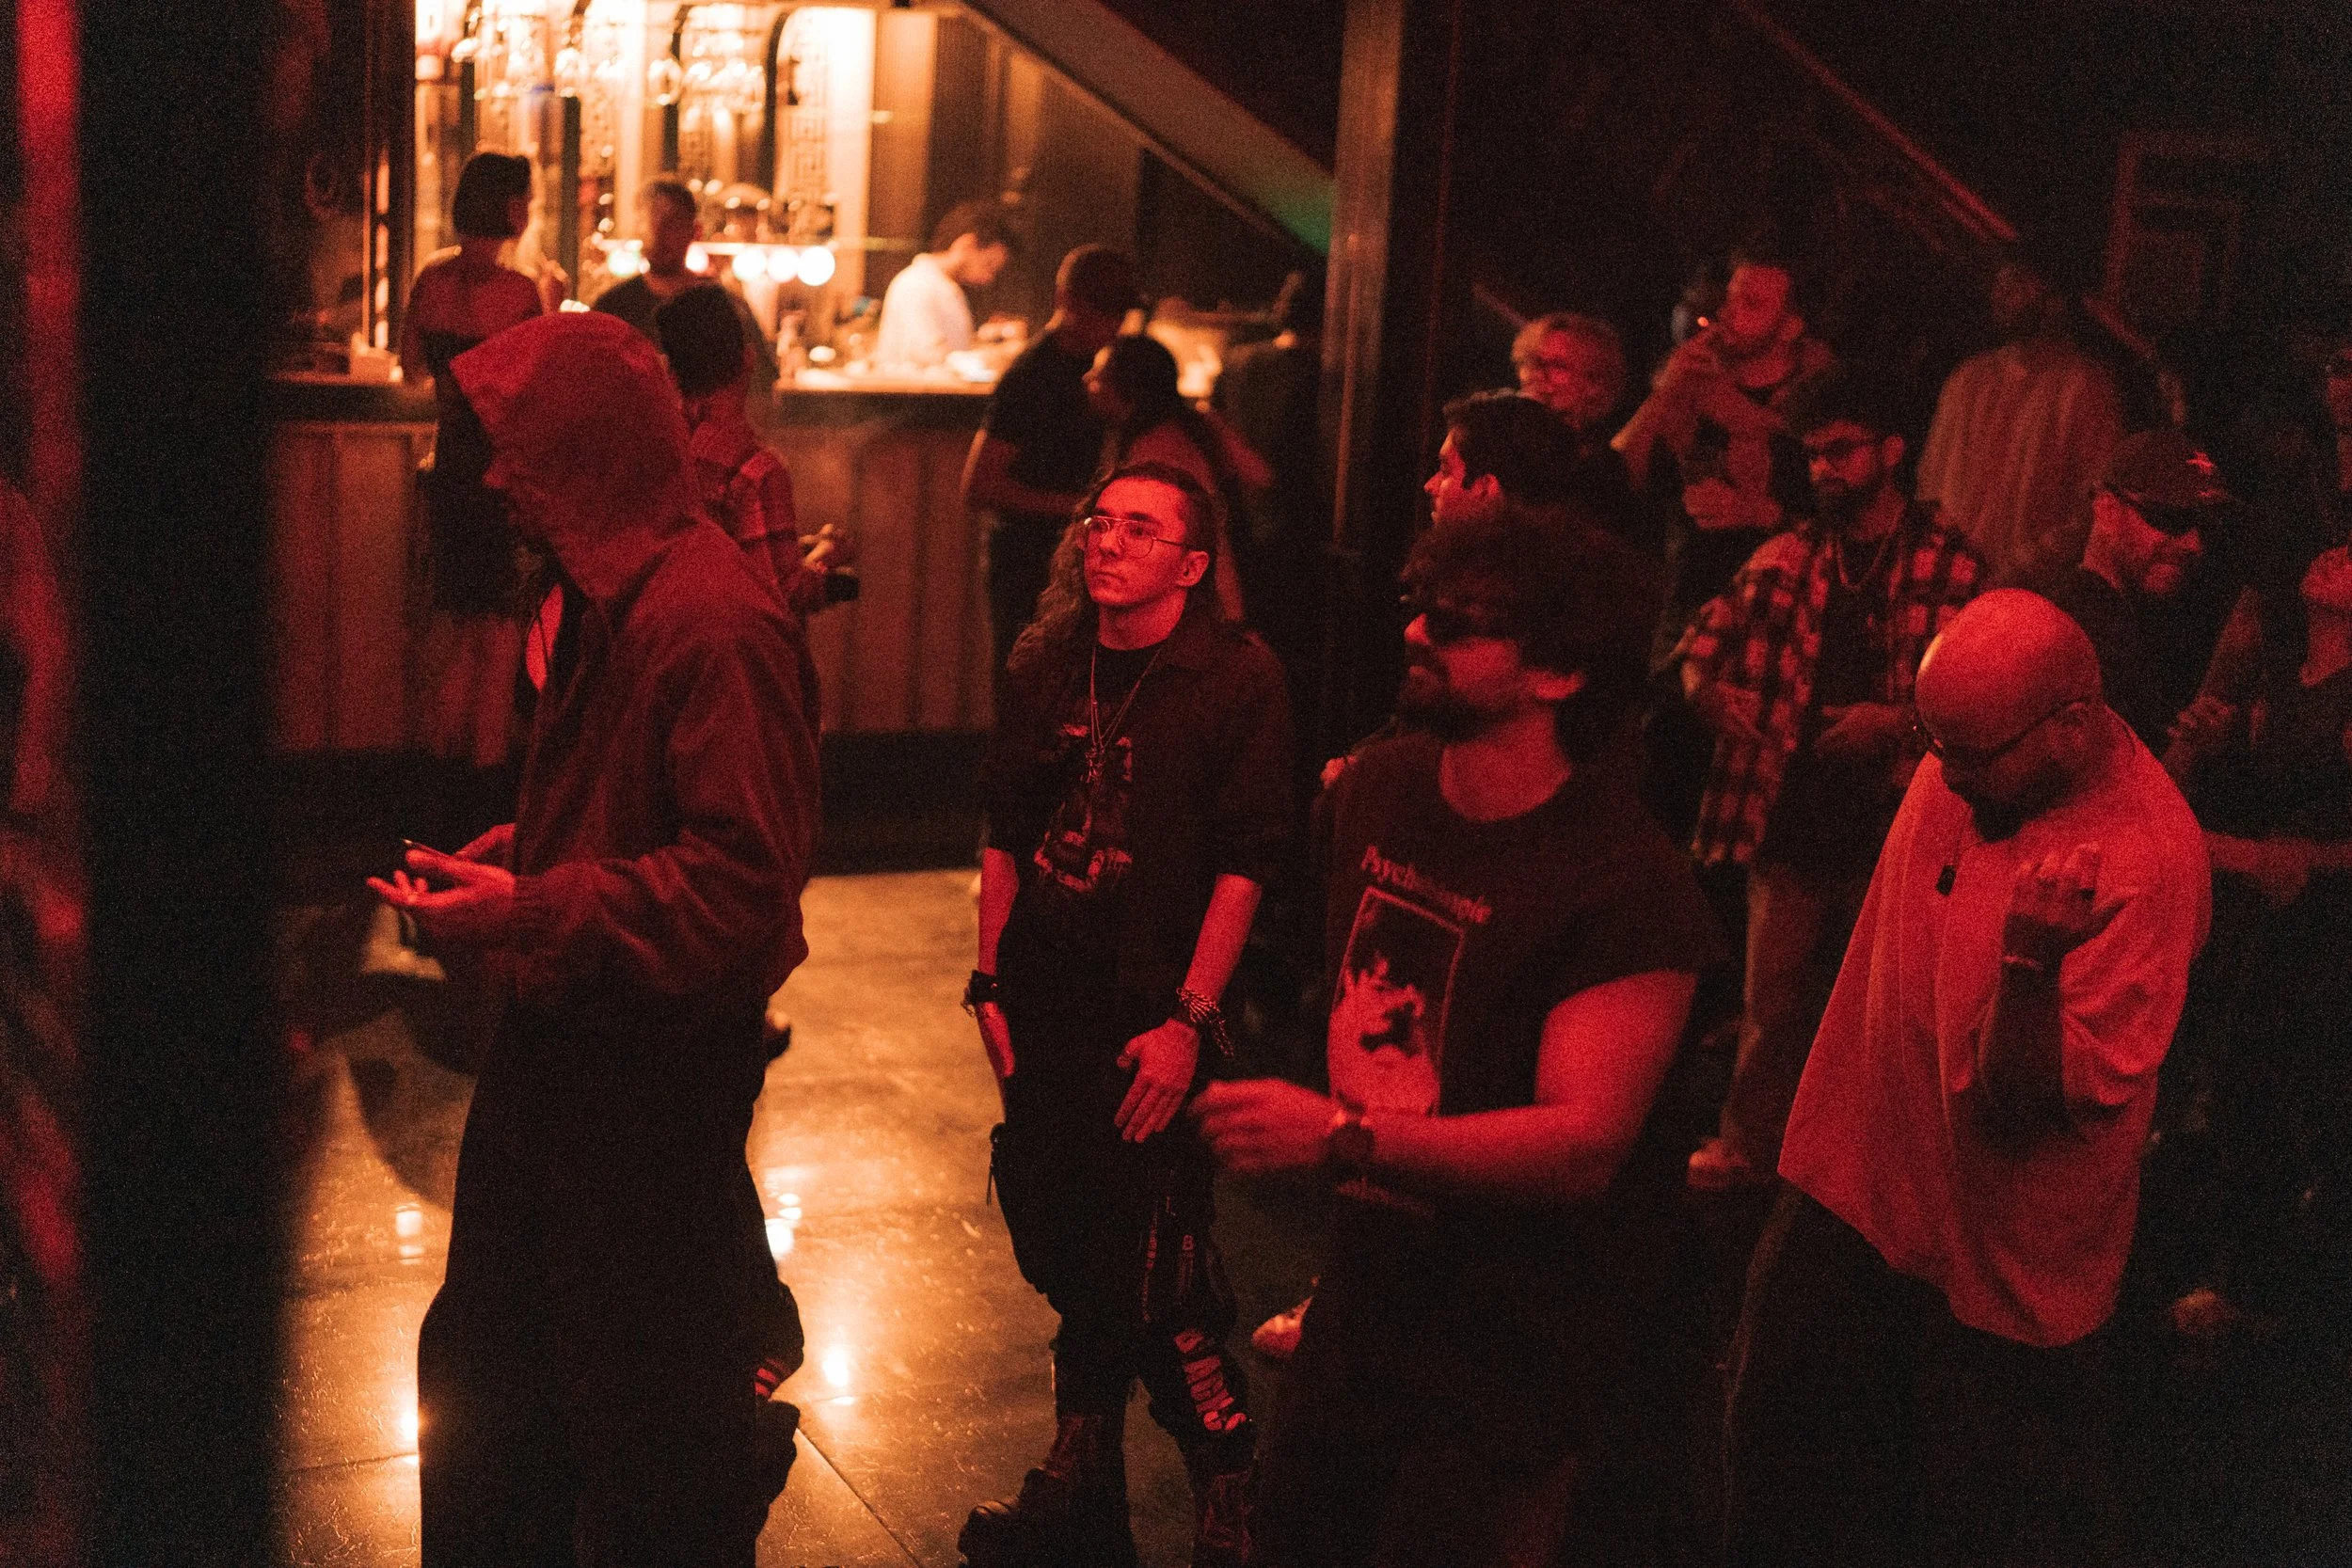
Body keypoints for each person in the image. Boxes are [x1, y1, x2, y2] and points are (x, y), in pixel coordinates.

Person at [369, 312, 817, 1568]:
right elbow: (640, 814)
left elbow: (741, 884)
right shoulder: (610, 595)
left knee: (630, 1412)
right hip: (572, 1034)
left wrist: (527, 903)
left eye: (521, 452)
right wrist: (525, 849)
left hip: (651, 1067)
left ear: (590, 454)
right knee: (498, 1367)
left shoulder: (711, 621)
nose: (498, 483)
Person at [1197, 508, 1723, 1568]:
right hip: (1362, 1304)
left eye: (1460, 621)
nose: (1416, 632)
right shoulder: (1378, 787)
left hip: (1512, 1343)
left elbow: (1583, 1143)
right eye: (1420, 606)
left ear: (1559, 674)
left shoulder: (1626, 886)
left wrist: (1340, 1136)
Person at [1724, 590, 2209, 1568]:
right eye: (1932, 743)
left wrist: (2028, 964)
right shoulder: (1973, 760)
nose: (1942, 774)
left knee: (1964, 1526)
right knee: (1775, 1469)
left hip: (1996, 1267)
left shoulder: (2142, 864)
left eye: (1970, 754)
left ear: (2071, 725)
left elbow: (2020, 1106)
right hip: (1856, 1179)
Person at [965, 461, 1291, 1568]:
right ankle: (1081, 1472)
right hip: (1045, 991)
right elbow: (1005, 830)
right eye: (1099, 520)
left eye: (1140, 529)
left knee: (1154, 1257)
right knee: (1063, 1232)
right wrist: (989, 980)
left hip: (1152, 1001)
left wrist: (1189, 1020)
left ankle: (1229, 1479)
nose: (1106, 541)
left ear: (1191, 565)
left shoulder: (1234, 677)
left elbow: (1247, 862)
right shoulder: (1047, 657)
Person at [1677, 365, 1984, 1189]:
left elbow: (1976, 698)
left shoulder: (1949, 558)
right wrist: (1707, 692)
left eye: (1841, 451)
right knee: (1772, 1005)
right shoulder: (1794, 552)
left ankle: (1861, 1167)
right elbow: (1700, 642)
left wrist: (1897, 723)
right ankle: (1750, 1148)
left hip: (1892, 821)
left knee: (1886, 1008)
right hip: (1791, 813)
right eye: (1813, 455)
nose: (1823, 469)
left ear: (1893, 450)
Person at [2161, 539, 2352, 1347]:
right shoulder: (2286, 679)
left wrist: (2293, 858)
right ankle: (2240, 1277)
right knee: (2246, 1083)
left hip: (2328, 927)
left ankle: (2275, 1298)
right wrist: (2213, 739)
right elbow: (2262, 765)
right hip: (2270, 922)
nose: (2336, 553)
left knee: (2301, 1093)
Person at [398, 151, 546, 820]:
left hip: (450, 471)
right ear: (507, 205)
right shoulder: (521, 294)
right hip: (498, 474)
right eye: (525, 198)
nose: (530, 208)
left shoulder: (431, 280)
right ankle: (486, 789)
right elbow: (530, 394)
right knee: (500, 635)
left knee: (455, 630)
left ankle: (438, 782)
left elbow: (410, 370)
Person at [962, 245, 1139, 681]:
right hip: (1027, 558)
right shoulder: (1032, 376)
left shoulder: (1106, 367)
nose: (1112, 325)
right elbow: (979, 484)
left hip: (1071, 555)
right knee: (1027, 685)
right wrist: (1079, 508)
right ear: (1066, 300)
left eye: (1118, 312)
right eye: (1101, 309)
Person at [1915, 251, 2125, 589]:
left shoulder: (2085, 388)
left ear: (2055, 296)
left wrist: (2024, 569)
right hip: (1950, 584)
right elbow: (1931, 483)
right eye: (2000, 282)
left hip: (2028, 595)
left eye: (2018, 282)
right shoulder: (1968, 378)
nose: (2001, 293)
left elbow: (2094, 504)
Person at [655, 283, 854, 637]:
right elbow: (780, 596)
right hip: (738, 657)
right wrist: (829, 555)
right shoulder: (756, 471)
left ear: (674, 373)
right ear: (748, 358)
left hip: (676, 641)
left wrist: (796, 549)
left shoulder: (665, 450)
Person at [2047, 428, 2233, 750]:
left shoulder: (2143, 622)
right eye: (2171, 518)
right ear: (2107, 511)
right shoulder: (2079, 635)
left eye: (2205, 526)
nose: (2194, 544)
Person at [1087, 333, 1269, 624]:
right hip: (1222, 591)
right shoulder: (1196, 425)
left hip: (1193, 604)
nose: (1087, 380)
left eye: (1099, 376)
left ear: (1127, 388)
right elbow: (1262, 475)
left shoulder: (1153, 451)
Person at [594, 178, 778, 420]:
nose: (657, 235)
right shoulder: (611, 308)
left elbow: (761, 391)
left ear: (694, 231)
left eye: (670, 223)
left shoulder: (723, 308)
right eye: (649, 222)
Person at [1510, 310, 1650, 549]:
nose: (1538, 375)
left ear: (1595, 385)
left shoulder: (1602, 473)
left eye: (1557, 366)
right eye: (1533, 362)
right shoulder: (1500, 439)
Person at [873, 198, 1016, 373]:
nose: (988, 278)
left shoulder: (944, 287)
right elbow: (931, 357)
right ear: (967, 245)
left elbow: (953, 351)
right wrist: (996, 357)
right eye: (989, 264)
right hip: (914, 390)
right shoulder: (917, 285)